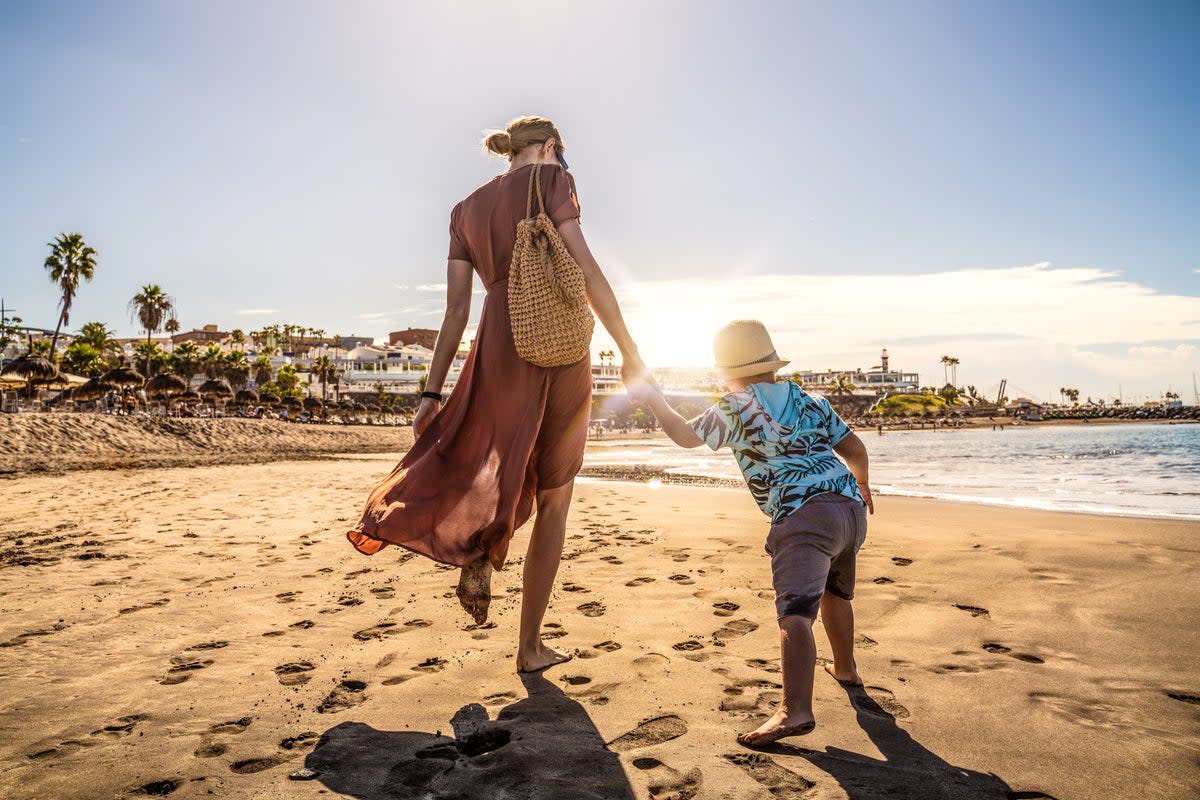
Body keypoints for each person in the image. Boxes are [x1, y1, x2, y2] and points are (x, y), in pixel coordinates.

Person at [347, 116, 644, 674]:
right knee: (555, 491)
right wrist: (628, 347)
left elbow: (455, 311)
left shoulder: (464, 210)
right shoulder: (553, 181)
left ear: (511, 152)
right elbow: (586, 266)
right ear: (551, 148)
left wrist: (431, 393)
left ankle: (482, 546)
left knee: (491, 455)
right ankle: (530, 646)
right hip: (552, 337)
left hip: (496, 340)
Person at [628, 320, 873, 747]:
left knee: (796, 611)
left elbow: (686, 437)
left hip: (802, 517)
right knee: (837, 593)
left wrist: (655, 402)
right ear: (772, 363)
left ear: (727, 370)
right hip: (850, 508)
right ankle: (847, 668)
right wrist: (863, 485)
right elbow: (854, 449)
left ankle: (794, 710)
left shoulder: (736, 405)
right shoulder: (810, 399)